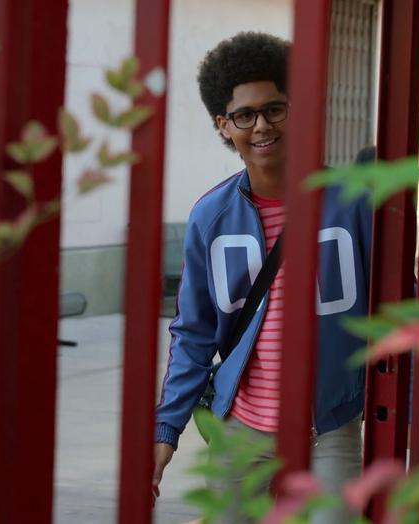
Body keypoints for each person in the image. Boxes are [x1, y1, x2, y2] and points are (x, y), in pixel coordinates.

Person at [152, 32, 373, 524]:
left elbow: (397, 313)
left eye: (275, 109)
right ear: (223, 125)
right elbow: (192, 332)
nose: (261, 126)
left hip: (330, 425)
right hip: (241, 430)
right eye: (244, 115)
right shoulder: (211, 217)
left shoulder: (352, 202)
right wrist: (166, 431)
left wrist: (414, 409)